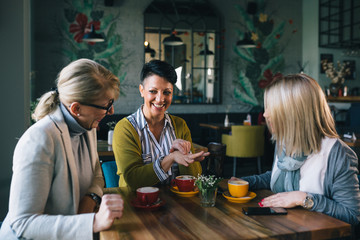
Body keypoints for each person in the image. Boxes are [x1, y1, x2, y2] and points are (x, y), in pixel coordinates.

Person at [0, 59, 124, 239]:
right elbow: (23, 223)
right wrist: (93, 222)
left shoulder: (87, 126)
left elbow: (96, 174)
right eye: (106, 105)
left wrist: (90, 199)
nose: (111, 111)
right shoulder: (39, 139)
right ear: (76, 108)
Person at [231, 74, 360, 225]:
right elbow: (276, 177)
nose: (265, 114)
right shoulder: (284, 141)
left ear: (294, 111)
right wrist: (245, 182)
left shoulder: (337, 153)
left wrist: (303, 198)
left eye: (272, 107)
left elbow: (352, 215)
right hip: (283, 227)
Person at [113, 60, 209, 190]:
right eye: (153, 91)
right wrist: (171, 158)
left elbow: (194, 179)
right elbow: (133, 180)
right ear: (141, 90)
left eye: (167, 92)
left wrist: (184, 154)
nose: (160, 99)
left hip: (174, 204)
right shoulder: (125, 128)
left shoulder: (180, 125)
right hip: (135, 204)